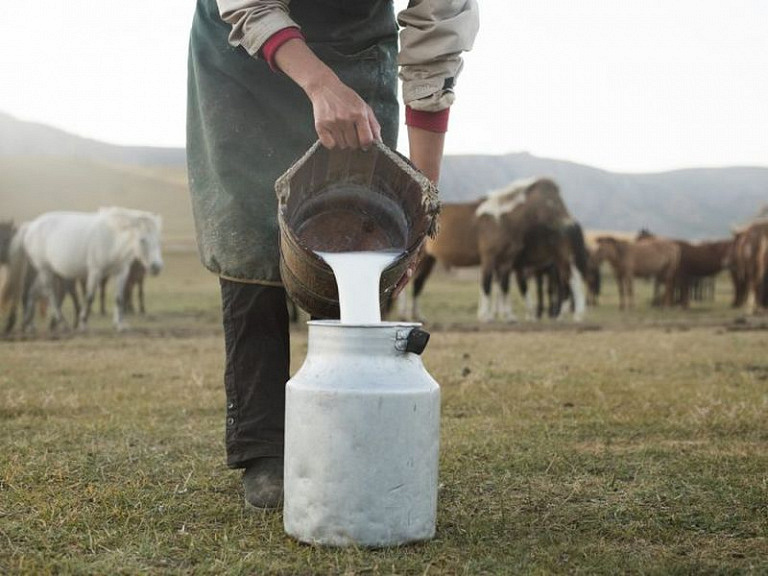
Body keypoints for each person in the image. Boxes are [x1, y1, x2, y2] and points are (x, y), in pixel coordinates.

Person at [187, 0, 479, 509]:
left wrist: (421, 204)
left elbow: (436, 45)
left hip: (357, 47)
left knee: (370, 216)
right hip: (248, 50)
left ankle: (350, 429)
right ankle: (265, 450)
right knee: (253, 234)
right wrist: (319, 85)